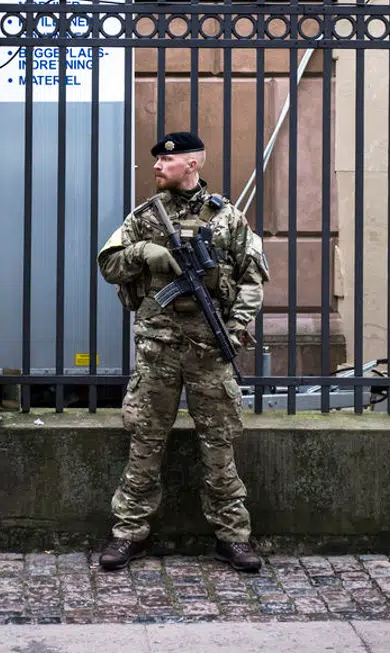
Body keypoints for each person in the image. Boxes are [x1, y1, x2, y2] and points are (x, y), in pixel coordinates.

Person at [95, 131, 269, 573]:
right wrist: (143, 251)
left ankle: (233, 537)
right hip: (158, 349)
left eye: (166, 161)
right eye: (156, 160)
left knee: (219, 445)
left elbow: (251, 280)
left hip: (210, 350)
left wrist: (235, 329)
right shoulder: (143, 218)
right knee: (145, 442)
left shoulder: (228, 219)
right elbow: (109, 265)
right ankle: (128, 533)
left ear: (192, 164)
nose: (157, 166)